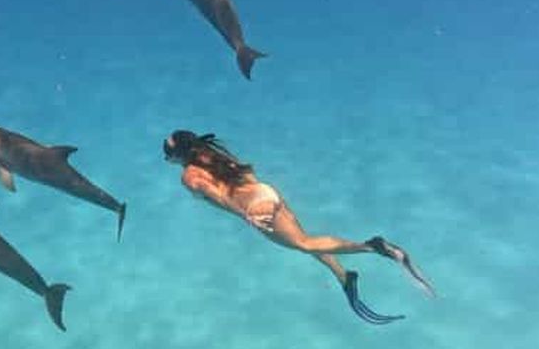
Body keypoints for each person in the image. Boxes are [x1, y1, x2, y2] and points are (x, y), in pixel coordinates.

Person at [163, 130, 434, 324]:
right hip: (265, 192)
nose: (166, 159)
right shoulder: (212, 154)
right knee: (307, 240)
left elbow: (217, 195)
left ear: (178, 154)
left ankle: (372, 246)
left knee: (303, 244)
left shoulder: (189, 175)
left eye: (168, 153)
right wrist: (264, 197)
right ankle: (343, 276)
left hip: (256, 209)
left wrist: (248, 214)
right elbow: (246, 174)